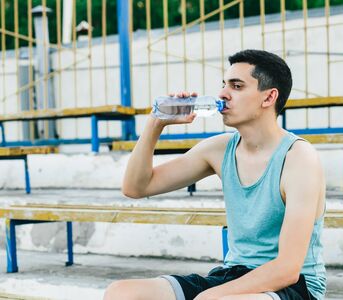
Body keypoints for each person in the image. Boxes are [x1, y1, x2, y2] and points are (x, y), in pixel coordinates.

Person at [103, 49, 326, 300]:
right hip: (234, 275)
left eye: (237, 86)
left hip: (295, 287)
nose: (222, 93)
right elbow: (136, 187)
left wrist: (208, 297)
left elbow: (287, 270)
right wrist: (156, 123)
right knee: (121, 293)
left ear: (268, 97)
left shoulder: (298, 158)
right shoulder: (219, 149)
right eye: (224, 84)